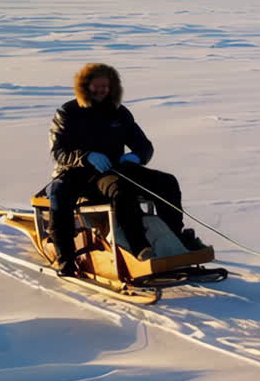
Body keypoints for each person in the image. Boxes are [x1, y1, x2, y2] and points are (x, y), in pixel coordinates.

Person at [46, 62, 205, 276]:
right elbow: (58, 151)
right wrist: (86, 157)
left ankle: (175, 237)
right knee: (65, 196)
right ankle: (73, 256)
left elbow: (144, 145)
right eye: (97, 86)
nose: (102, 91)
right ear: (85, 86)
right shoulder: (68, 112)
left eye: (106, 86)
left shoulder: (119, 113)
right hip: (78, 172)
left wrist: (136, 156)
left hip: (115, 169)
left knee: (167, 182)